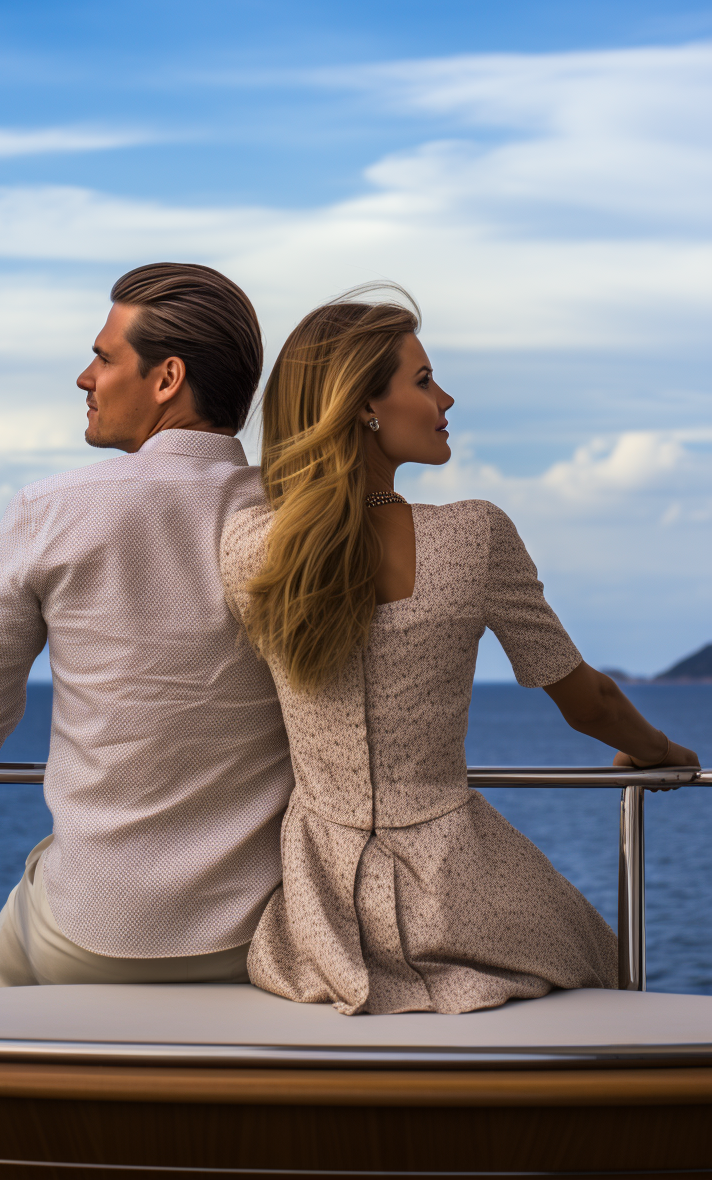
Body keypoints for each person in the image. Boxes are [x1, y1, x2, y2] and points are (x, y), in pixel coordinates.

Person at [220, 292, 700, 1016]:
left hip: (319, 918)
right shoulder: (474, 537)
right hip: (458, 890)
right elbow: (586, 701)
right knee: (608, 966)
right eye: (423, 380)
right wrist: (664, 751)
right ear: (363, 407)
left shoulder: (251, 547)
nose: (445, 398)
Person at [0, 263, 292, 988]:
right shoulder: (301, 520)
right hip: (264, 933)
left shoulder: (52, 509)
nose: (85, 377)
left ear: (167, 377)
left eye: (105, 358)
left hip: (91, 930)